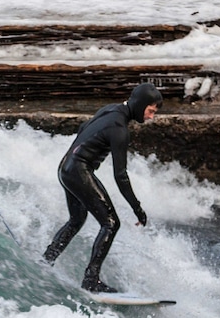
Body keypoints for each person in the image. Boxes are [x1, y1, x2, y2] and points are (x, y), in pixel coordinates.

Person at [43, 82, 163, 293]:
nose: (151, 116)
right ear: (141, 104)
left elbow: (82, 129)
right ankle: (91, 279)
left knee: (77, 219)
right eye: (150, 111)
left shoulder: (109, 109)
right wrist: (137, 208)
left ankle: (47, 259)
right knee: (111, 223)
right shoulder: (119, 129)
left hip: (65, 167)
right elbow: (120, 175)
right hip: (78, 170)